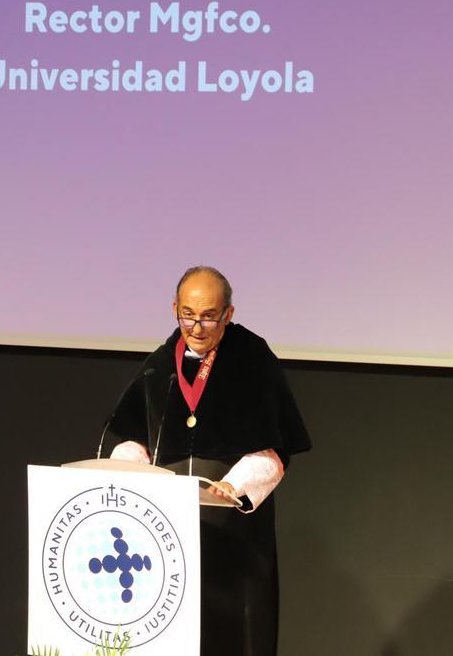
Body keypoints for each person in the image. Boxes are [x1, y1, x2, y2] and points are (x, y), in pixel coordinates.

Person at [103, 265, 312, 655]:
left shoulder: (252, 359)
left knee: (229, 633)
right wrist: (125, 466)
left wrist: (234, 485)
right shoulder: (160, 362)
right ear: (174, 309)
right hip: (164, 528)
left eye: (209, 316)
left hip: (230, 524)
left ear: (229, 313)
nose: (196, 327)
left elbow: (273, 448)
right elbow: (134, 435)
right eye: (188, 315)